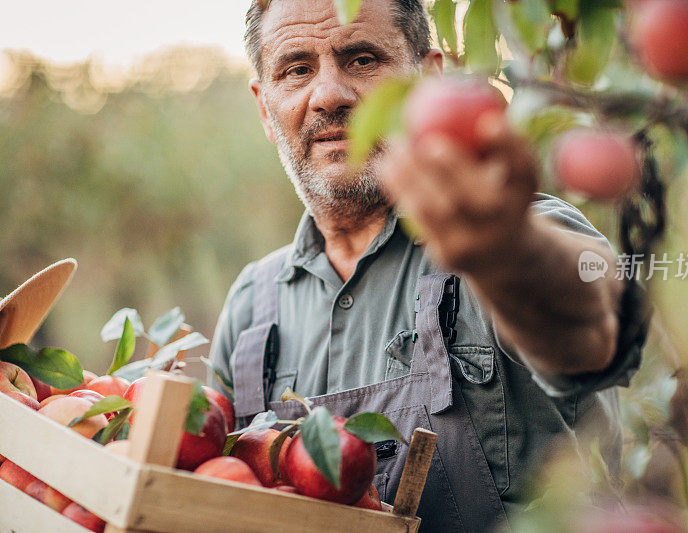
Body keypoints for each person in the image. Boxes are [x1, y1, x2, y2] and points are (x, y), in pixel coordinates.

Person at [207, 0, 649, 530]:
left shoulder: (512, 231)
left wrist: (509, 255)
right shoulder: (252, 306)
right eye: (297, 69)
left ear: (428, 82)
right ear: (264, 109)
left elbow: (595, 326)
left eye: (363, 59)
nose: (328, 94)